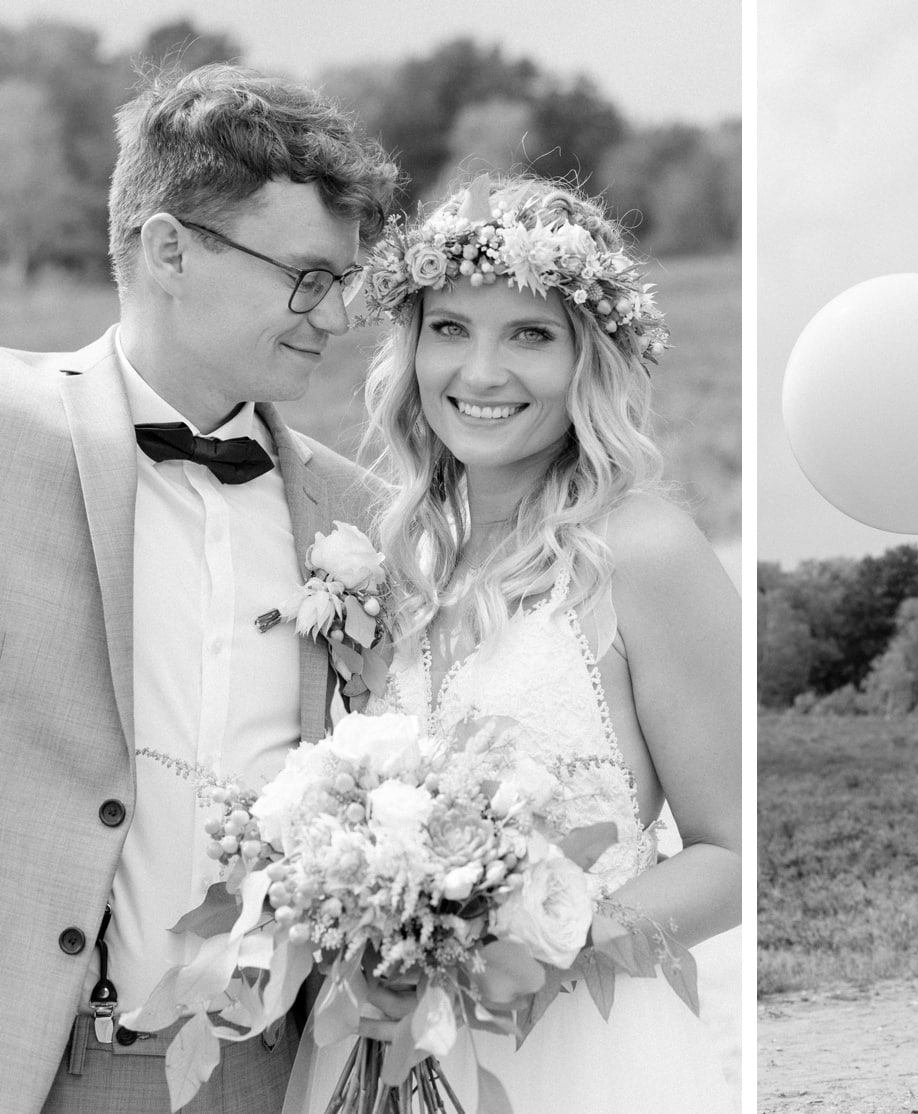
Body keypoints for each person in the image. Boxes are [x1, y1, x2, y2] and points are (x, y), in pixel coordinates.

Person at [280, 173, 741, 1113]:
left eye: (529, 334)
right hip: (378, 1043)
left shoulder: (645, 553)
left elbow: (735, 856)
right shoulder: (390, 557)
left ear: (589, 361)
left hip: (582, 1058)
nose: (481, 374)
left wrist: (536, 947)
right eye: (449, 329)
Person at [0, 64, 395, 1113]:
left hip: (279, 1070)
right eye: (306, 276)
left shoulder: (357, 512)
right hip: (44, 1063)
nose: (337, 312)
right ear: (170, 248)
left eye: (345, 281)